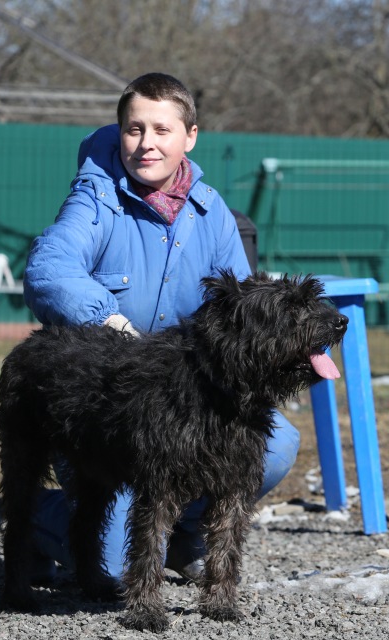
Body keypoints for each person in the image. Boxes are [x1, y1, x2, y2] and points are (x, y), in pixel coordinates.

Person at [21, 72, 300, 583]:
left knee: (274, 443)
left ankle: (181, 534)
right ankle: (34, 517)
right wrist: (110, 323)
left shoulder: (212, 212)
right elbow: (48, 270)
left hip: (182, 404)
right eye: (134, 129)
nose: (146, 143)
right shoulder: (96, 199)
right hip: (107, 408)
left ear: (190, 136)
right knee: (112, 567)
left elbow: (241, 314)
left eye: (162, 130)